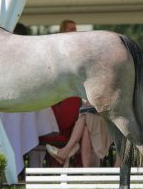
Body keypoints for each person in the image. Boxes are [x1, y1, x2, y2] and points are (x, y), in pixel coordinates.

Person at [45, 19, 112, 167]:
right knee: (85, 119)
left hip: (92, 111)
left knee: (85, 118)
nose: (74, 32)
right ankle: (83, 168)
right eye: (71, 29)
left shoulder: (84, 54)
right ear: (62, 32)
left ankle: (68, 153)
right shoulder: (57, 54)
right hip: (70, 103)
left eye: (75, 29)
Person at [45, 102, 113, 167]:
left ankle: (65, 152)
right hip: (95, 118)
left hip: (110, 122)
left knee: (84, 117)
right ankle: (86, 173)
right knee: (85, 128)